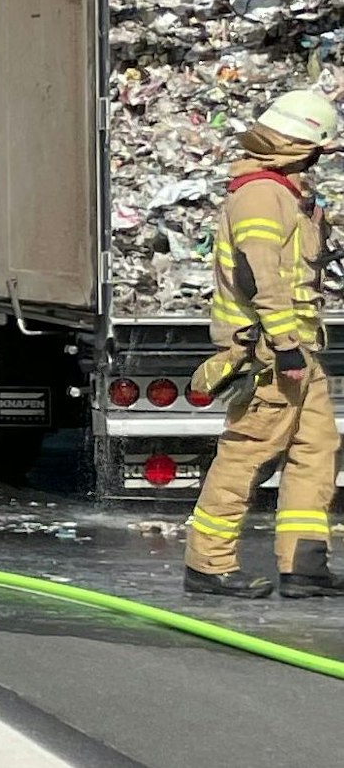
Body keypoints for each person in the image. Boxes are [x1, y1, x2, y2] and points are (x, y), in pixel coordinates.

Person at [185, 89, 344, 599]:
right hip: (270, 355)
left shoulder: (287, 195)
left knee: (317, 450)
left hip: (298, 351)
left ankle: (304, 566)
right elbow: (262, 275)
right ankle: (208, 566)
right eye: (319, 150)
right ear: (301, 146)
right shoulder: (260, 195)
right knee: (247, 455)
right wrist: (285, 344)